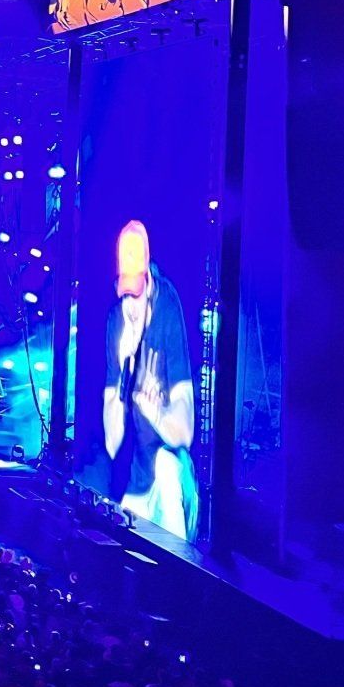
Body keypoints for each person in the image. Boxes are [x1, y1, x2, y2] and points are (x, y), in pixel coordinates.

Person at [102, 220, 196, 538]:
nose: (130, 305)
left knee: (167, 469)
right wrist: (124, 372)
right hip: (140, 474)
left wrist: (150, 405)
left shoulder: (168, 310)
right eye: (124, 293)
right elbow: (113, 442)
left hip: (172, 471)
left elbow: (183, 434)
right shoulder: (117, 321)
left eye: (135, 295)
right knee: (121, 539)